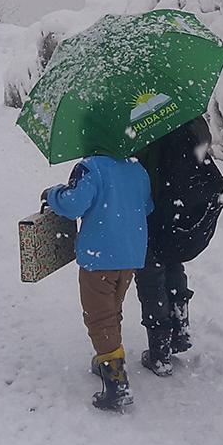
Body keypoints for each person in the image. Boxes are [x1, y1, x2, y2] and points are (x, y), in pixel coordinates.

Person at [43, 154, 153, 411]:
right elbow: (146, 205)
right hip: (130, 253)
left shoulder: (91, 168)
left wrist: (53, 194)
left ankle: (117, 384)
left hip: (100, 256)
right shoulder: (137, 167)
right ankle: (107, 358)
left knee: (98, 316)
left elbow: (73, 205)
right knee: (112, 308)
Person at [134, 115, 223, 377]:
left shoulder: (139, 121)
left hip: (153, 208)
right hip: (181, 208)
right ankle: (179, 329)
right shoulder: (185, 114)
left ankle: (160, 352)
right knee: (173, 261)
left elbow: (139, 168)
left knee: (150, 276)